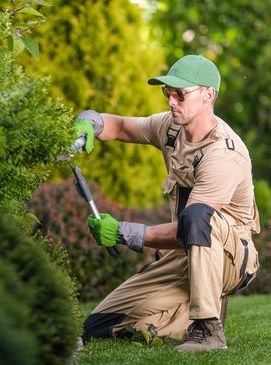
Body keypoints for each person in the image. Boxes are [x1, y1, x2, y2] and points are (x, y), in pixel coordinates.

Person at [75, 55, 260, 352]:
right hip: (184, 254)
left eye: (180, 94)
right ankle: (187, 316)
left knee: (198, 215)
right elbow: (120, 126)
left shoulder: (224, 153)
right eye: (168, 93)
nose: (171, 101)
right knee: (98, 325)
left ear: (207, 95)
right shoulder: (171, 128)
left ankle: (208, 329)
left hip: (231, 258)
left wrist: (123, 231)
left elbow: (192, 227)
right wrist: (88, 123)